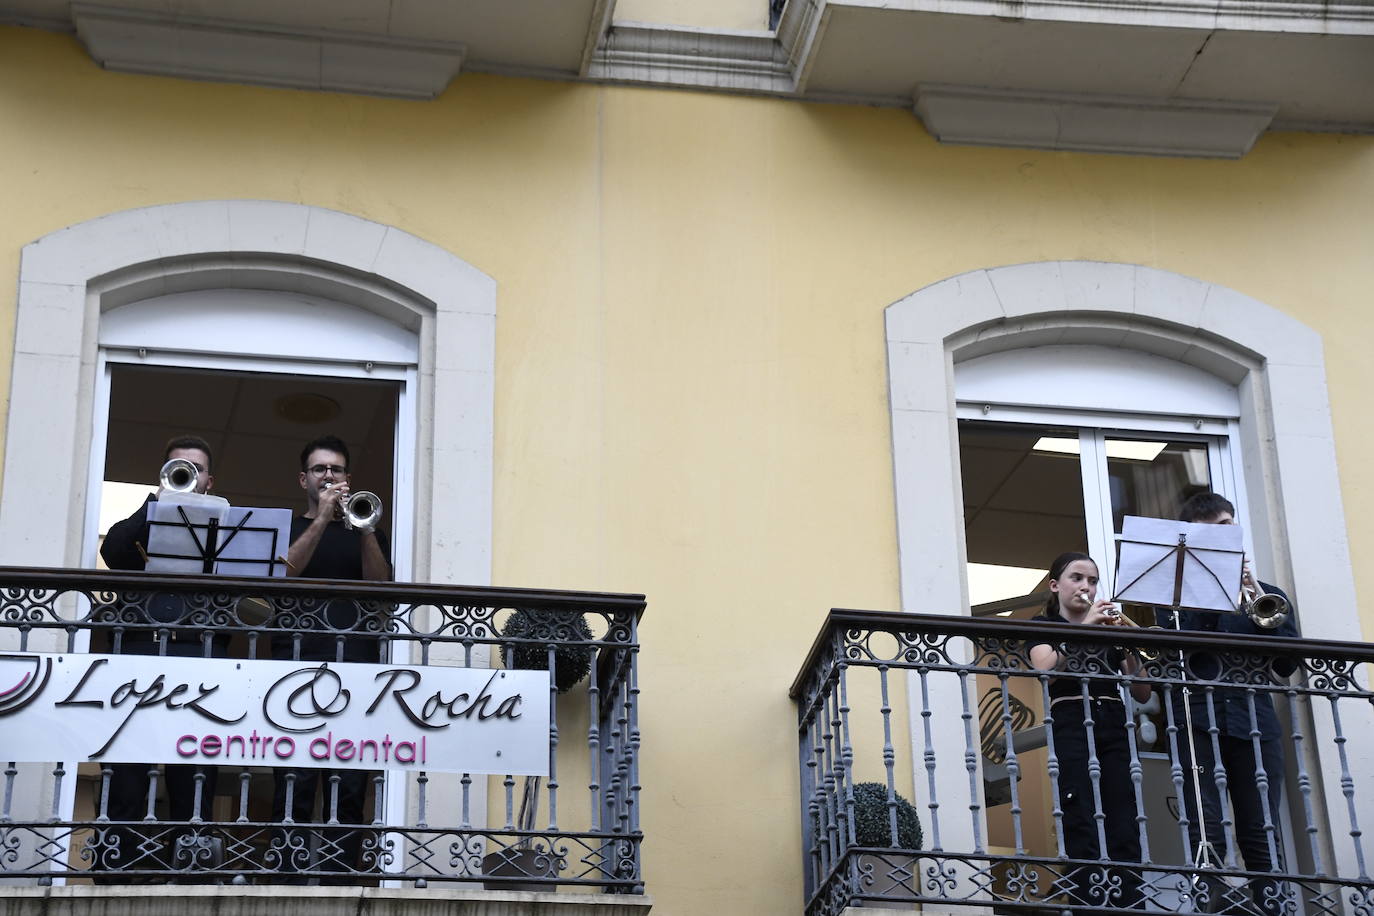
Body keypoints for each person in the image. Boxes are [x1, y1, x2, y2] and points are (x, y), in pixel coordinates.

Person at [1161, 492, 1299, 916]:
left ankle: (1271, 908)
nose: (1228, 536)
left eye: (1230, 526)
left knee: (1261, 831)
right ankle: (1210, 907)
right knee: (1207, 832)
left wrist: (1252, 593)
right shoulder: (1176, 598)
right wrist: (1214, 590)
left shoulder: (1266, 594)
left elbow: (1287, 662)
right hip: (1196, 721)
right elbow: (1173, 654)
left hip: (1254, 720)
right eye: (1216, 531)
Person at [98, 434, 225, 876]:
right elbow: (113, 552)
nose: (188, 475)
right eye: (178, 468)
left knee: (193, 772)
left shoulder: (225, 529)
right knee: (127, 768)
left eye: (196, 469)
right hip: (137, 654)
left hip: (198, 659)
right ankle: (115, 869)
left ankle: (189, 869)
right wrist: (157, 501)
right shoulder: (145, 519)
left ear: (209, 481)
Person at [270, 434, 392, 882]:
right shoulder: (286, 528)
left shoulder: (365, 529)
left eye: (336, 469)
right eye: (319, 469)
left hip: (356, 667)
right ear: (303, 479)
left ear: (347, 478)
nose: (328, 476)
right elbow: (281, 577)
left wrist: (364, 530)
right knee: (294, 781)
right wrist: (321, 518)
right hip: (295, 665)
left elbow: (380, 590)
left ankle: (340, 880)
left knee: (350, 783)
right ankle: (286, 880)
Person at [1030, 551, 1152, 911]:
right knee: (1079, 816)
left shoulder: (1109, 627)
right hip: (1070, 720)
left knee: (1123, 818)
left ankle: (1129, 905)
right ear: (1055, 585)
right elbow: (1045, 672)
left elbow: (1143, 692)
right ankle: (1087, 904)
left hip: (1112, 719)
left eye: (1093, 581)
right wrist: (1085, 629)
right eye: (1077, 578)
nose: (1086, 586)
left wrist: (1128, 645)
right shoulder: (1042, 625)